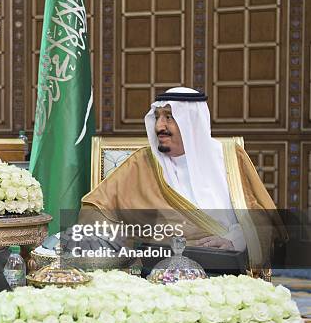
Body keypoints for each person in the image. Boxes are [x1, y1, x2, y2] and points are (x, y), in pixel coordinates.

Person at [67, 87, 285, 270]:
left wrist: (235, 241)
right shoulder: (142, 162)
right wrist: (124, 246)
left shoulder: (229, 157)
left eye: (169, 117)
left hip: (225, 267)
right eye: (158, 117)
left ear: (191, 123)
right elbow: (96, 207)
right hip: (158, 271)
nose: (160, 126)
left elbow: (261, 218)